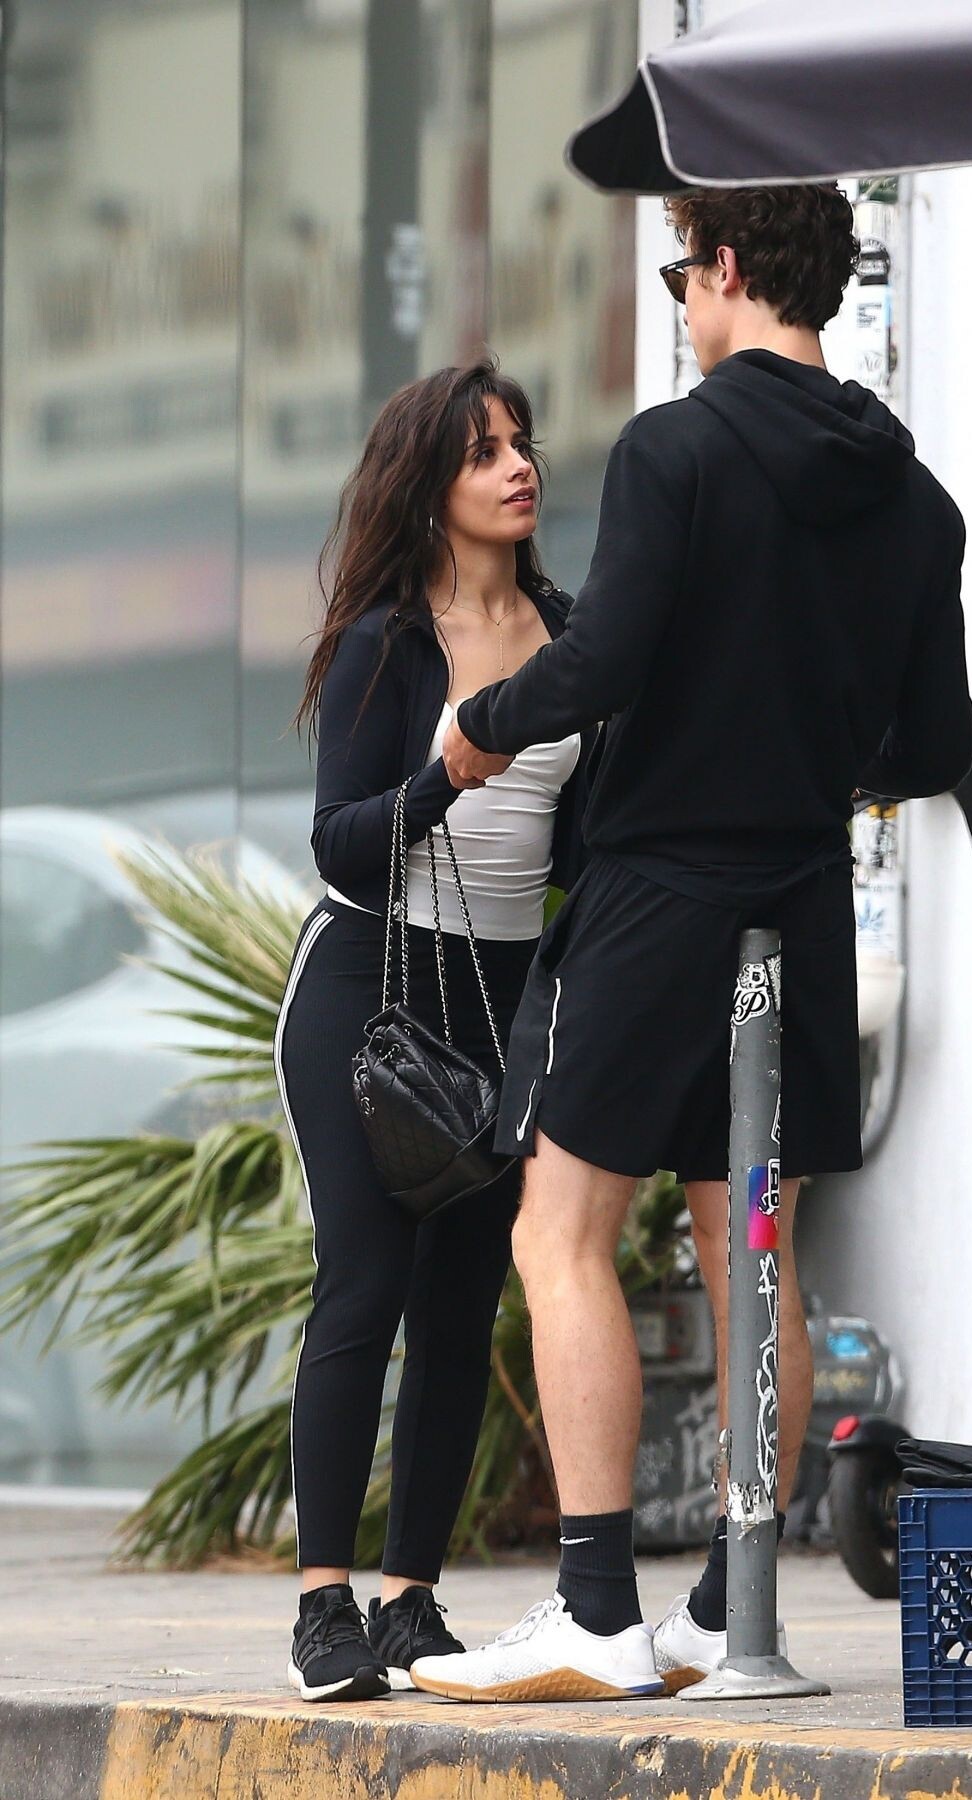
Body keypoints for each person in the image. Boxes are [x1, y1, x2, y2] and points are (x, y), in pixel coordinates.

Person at [408, 184, 972, 1704]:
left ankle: (597, 1607)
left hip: (662, 891)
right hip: (801, 894)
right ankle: (733, 1608)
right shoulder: (918, 500)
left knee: (559, 1228)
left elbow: (603, 658)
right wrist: (802, 745)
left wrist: (479, 726)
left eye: (680, 273)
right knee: (753, 1250)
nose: (680, 302)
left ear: (726, 266)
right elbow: (928, 745)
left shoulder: (679, 447)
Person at [275, 360, 591, 1702]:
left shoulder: (571, 634)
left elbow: (582, 840)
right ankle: (323, 1606)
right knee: (365, 1284)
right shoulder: (388, 643)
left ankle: (410, 1601)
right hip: (371, 988)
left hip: (506, 995)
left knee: (464, 1304)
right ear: (428, 486)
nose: (518, 468)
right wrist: (448, 775)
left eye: (522, 444)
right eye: (483, 452)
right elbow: (342, 843)